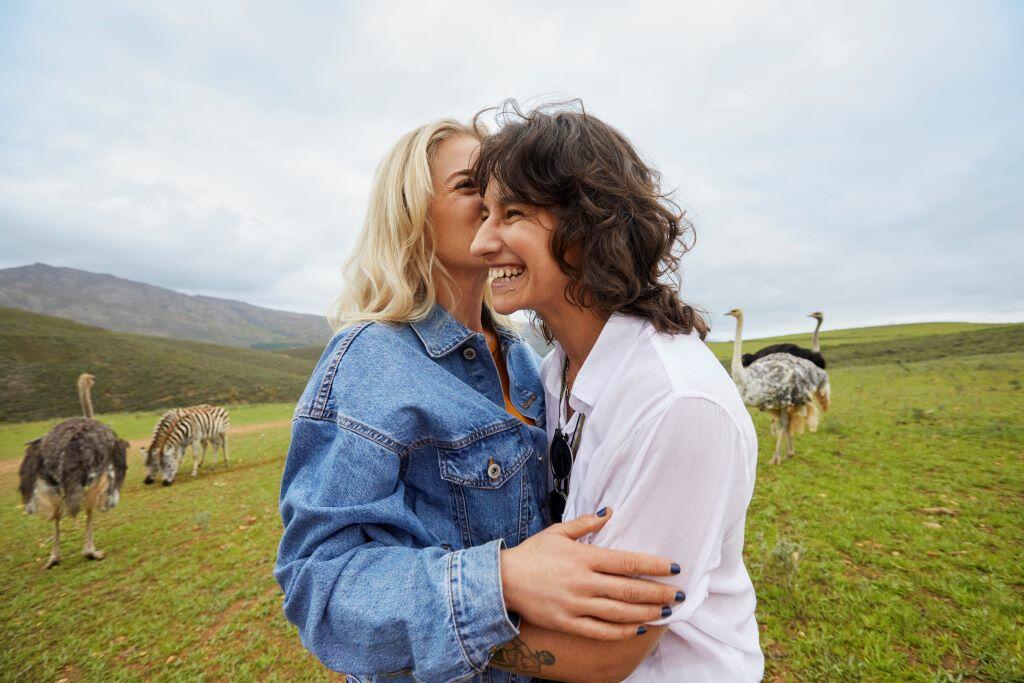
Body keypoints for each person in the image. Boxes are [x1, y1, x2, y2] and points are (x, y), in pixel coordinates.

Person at [274, 118, 686, 683]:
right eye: (473, 188)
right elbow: (319, 581)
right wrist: (502, 579)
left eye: (507, 196)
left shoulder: (523, 359)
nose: (495, 205)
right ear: (412, 212)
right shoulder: (369, 361)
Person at [470, 102, 765, 682]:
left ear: (586, 226)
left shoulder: (674, 405)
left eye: (513, 212)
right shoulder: (558, 368)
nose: (483, 242)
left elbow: (610, 652)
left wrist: (440, 634)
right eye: (484, 212)